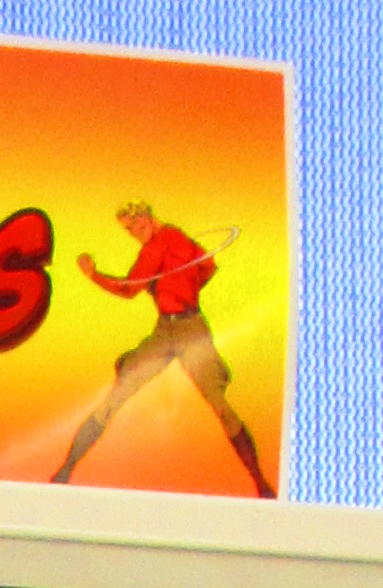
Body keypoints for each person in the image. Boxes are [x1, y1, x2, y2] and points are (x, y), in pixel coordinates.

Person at [53, 201, 273, 494]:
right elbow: (207, 267)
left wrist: (94, 275)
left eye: (135, 224)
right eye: (128, 229)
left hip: (190, 331)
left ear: (147, 216)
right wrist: (180, 289)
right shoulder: (176, 238)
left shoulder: (156, 248)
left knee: (219, 407)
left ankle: (261, 483)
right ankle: (66, 469)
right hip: (167, 331)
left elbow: (129, 289)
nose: (133, 232)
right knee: (117, 397)